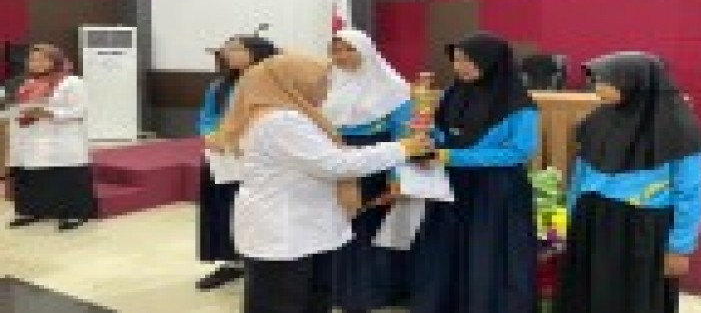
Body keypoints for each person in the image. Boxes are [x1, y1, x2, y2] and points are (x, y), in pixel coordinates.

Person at [207, 53, 432, 313]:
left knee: (310, 298)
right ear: (295, 84)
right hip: (287, 232)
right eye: (322, 82)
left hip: (301, 228)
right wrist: (403, 148)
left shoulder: (285, 115)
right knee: (282, 302)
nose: (327, 90)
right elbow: (334, 164)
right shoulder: (281, 121)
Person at [556, 52, 701, 313]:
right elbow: (580, 174)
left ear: (633, 82)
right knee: (589, 294)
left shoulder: (679, 129)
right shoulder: (598, 120)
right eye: (596, 81)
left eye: (605, 81)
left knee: (634, 298)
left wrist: (680, 248)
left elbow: (690, 192)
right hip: (592, 219)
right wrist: (569, 217)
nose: (597, 88)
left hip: (641, 228)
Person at [410, 32, 540, 313]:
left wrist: (452, 156)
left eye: (468, 60)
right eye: (456, 60)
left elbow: (518, 152)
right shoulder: (454, 93)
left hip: (496, 190)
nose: (460, 67)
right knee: (448, 249)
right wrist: (428, 139)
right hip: (453, 184)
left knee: (488, 252)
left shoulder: (518, 104)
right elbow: (444, 133)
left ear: (490, 61)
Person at [323, 29, 412, 313]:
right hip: (335, 165)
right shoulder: (325, 85)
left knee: (372, 229)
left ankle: (371, 292)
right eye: (336, 50)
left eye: (348, 49)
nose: (341, 56)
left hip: (377, 168)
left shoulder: (394, 88)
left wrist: (397, 178)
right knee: (338, 226)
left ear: (366, 51)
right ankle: (336, 289)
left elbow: (403, 136)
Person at [196, 36, 278, 290]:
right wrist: (211, 136)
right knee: (223, 207)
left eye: (235, 49)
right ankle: (231, 261)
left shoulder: (274, 83)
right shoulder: (220, 86)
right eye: (227, 49)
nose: (227, 53)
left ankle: (258, 260)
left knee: (255, 209)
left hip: (257, 155)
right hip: (223, 158)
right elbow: (207, 117)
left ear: (256, 52)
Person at [7, 44, 97, 231]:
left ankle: (74, 214)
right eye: (32, 59)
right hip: (31, 138)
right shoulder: (27, 84)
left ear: (54, 60)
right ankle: (32, 211)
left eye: (41, 59)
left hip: (62, 139)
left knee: (66, 177)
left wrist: (49, 113)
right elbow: (20, 108)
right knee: (32, 176)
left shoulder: (71, 82)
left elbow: (79, 111)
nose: (35, 63)